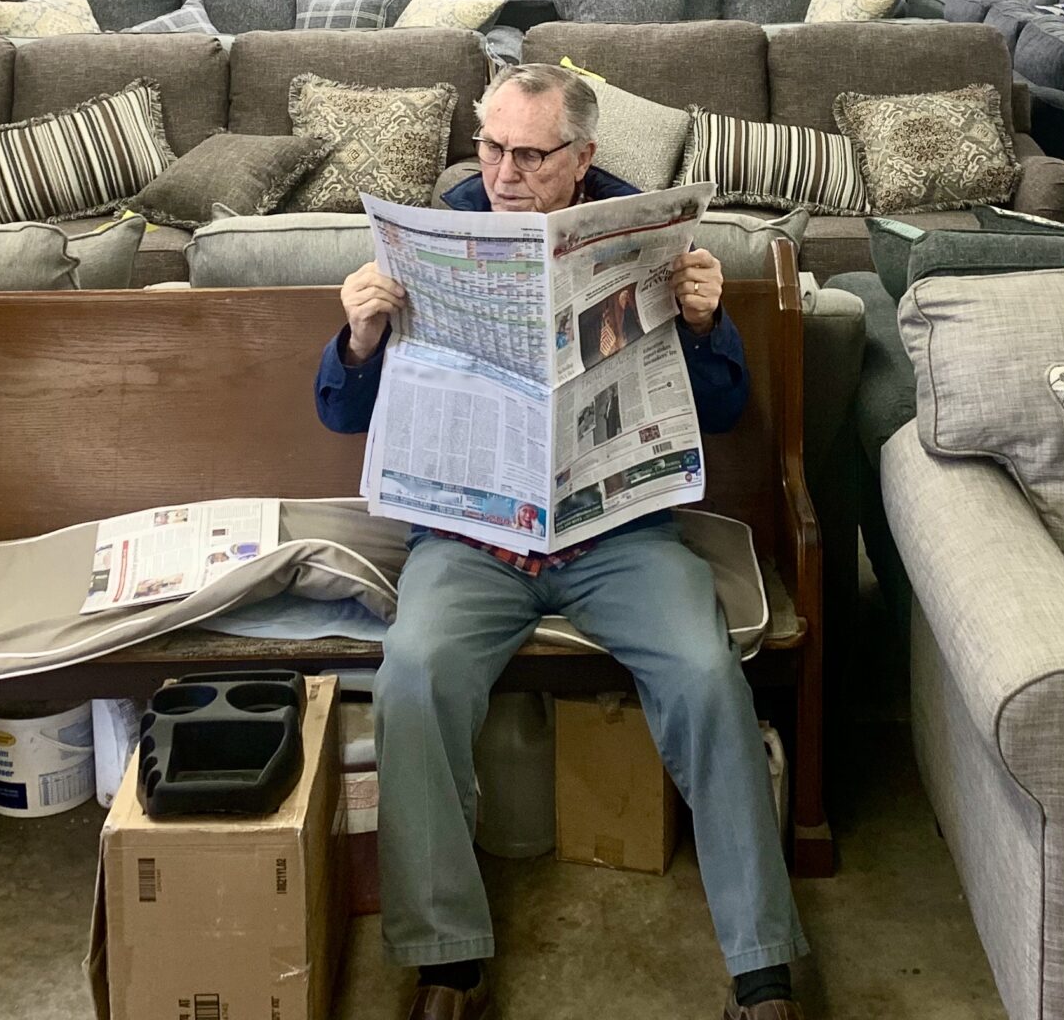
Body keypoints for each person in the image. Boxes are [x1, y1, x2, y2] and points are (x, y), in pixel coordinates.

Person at [314, 64, 808, 1020]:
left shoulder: (644, 237)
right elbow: (340, 413)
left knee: (708, 675)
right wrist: (360, 341)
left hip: (617, 537)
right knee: (411, 675)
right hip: (472, 546)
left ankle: (762, 971)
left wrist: (708, 325)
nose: (504, 173)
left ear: (582, 158)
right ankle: (448, 961)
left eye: (531, 157)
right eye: (492, 147)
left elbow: (726, 409)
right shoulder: (435, 233)